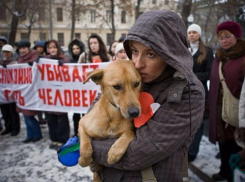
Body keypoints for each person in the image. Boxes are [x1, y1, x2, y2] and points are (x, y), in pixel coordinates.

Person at [85, 10, 205, 181]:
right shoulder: (129, 75)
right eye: (134, 51)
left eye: (151, 54)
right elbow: (92, 115)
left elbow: (139, 153)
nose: (138, 64)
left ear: (170, 54)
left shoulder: (188, 92)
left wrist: (89, 149)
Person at [209, 21, 245, 182]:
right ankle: (224, 170)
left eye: (228, 36)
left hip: (238, 110)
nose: (224, 40)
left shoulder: (243, 57)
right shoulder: (219, 57)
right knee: (222, 143)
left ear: (237, 36)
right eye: (221, 37)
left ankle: (234, 175)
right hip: (219, 109)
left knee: (236, 145)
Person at [187, 24, 214, 162]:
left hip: (200, 92)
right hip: (185, 93)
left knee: (198, 123)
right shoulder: (184, 50)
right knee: (187, 123)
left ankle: (192, 152)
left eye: (194, 32)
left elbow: (209, 73)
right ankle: (185, 149)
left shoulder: (207, 52)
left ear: (199, 34)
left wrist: (192, 76)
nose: (191, 34)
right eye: (189, 32)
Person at [45, 40, 71, 150]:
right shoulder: (45, 61)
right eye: (50, 48)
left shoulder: (65, 59)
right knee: (51, 120)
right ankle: (54, 139)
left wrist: (64, 64)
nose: (52, 50)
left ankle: (62, 139)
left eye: (54, 47)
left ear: (58, 48)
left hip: (61, 96)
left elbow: (71, 69)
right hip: (49, 96)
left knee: (62, 120)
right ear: (47, 49)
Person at [17, 40, 43, 143]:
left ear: (28, 48)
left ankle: (37, 134)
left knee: (29, 115)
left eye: (24, 48)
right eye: (20, 49)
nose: (22, 50)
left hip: (32, 92)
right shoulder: (19, 59)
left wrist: (33, 64)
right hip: (23, 91)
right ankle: (30, 135)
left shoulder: (35, 57)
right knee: (25, 114)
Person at [0, 44, 20, 136]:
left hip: (12, 92)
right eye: (4, 52)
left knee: (13, 112)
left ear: (11, 53)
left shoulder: (15, 64)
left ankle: (15, 128)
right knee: (5, 112)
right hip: (2, 93)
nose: (6, 54)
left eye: (8, 52)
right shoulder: (0, 62)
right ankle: (8, 127)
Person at [68, 39, 86, 136]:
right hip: (74, 92)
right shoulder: (69, 61)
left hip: (84, 92)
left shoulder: (85, 60)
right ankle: (76, 132)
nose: (75, 50)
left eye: (77, 48)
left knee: (84, 114)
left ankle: (84, 133)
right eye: (73, 48)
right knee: (75, 115)